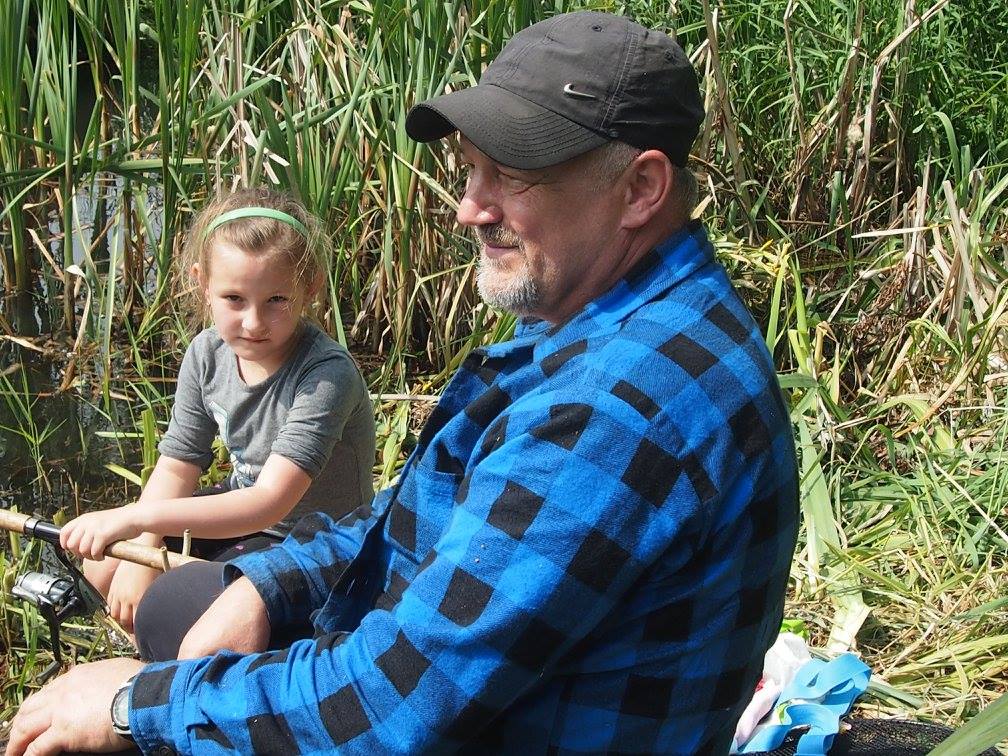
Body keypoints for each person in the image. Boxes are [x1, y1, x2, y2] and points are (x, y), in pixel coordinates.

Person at [5, 11, 798, 755]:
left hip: (471, 723)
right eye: (470, 170)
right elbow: (427, 515)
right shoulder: (609, 315)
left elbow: (391, 708)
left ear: (640, 189)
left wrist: (134, 705)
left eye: (510, 176)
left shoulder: (615, 409)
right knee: (188, 607)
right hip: (472, 688)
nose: (468, 209)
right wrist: (270, 585)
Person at [56, 188, 376, 637]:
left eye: (276, 300)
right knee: (105, 566)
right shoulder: (206, 353)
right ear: (202, 284)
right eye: (234, 299)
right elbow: (177, 464)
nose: (254, 322)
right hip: (244, 512)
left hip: (318, 542)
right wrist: (142, 546)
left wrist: (136, 517)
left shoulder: (326, 375)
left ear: (310, 287)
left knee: (168, 607)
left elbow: (269, 502)